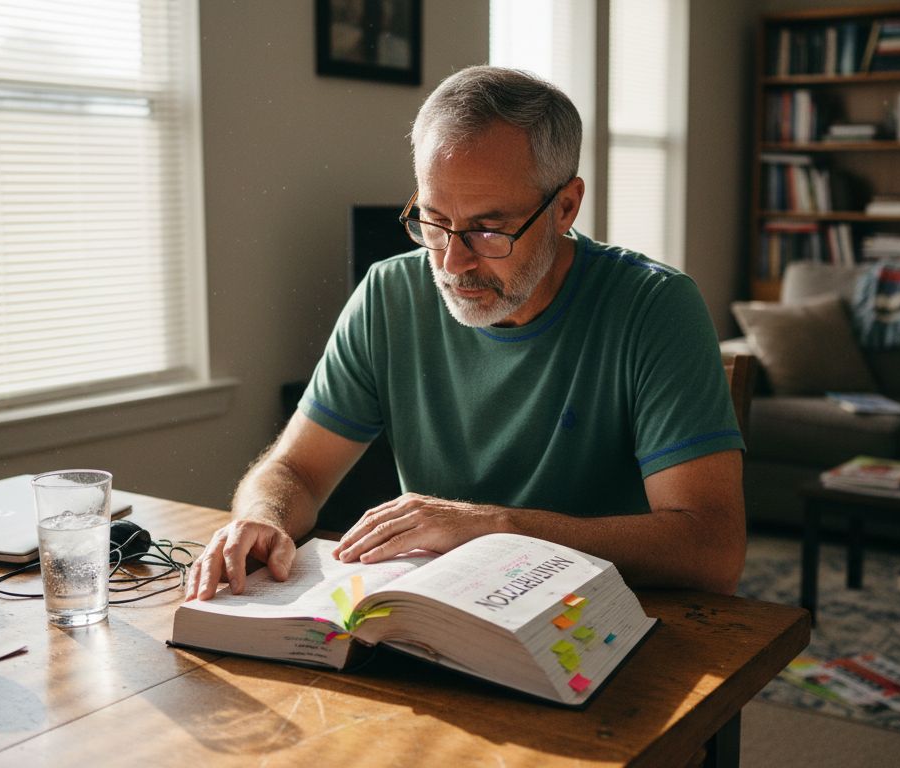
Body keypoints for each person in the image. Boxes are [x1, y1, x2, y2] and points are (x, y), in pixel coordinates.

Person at [185, 65, 744, 601]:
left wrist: (495, 527)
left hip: (599, 625)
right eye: (433, 221)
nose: (452, 262)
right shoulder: (388, 296)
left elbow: (713, 549)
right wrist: (263, 519)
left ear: (565, 206)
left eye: (488, 229)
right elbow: (295, 471)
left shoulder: (654, 307)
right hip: (438, 620)